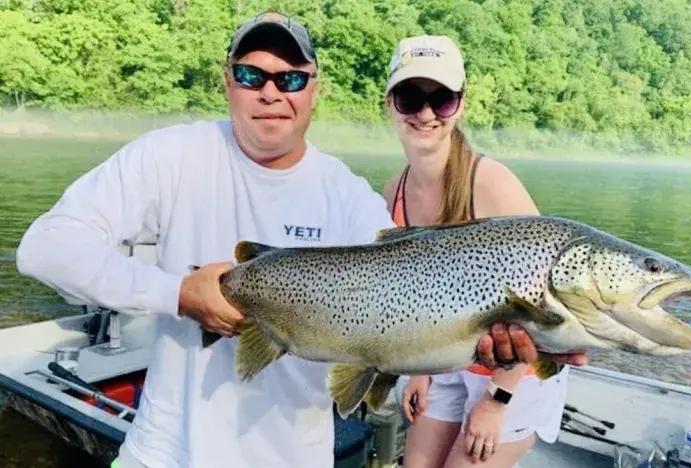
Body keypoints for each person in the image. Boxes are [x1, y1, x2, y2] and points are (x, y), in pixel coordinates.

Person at [15, 13, 568, 468]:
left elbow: (409, 318)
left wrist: (493, 349)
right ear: (228, 81)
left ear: (314, 91)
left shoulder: (348, 199)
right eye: (253, 76)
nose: (272, 92)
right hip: (162, 452)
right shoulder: (168, 157)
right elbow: (45, 247)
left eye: (292, 78)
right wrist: (178, 294)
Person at [382, 35, 570, 468]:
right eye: (411, 98)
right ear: (390, 103)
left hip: (516, 375)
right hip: (449, 357)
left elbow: (539, 311)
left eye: (442, 100)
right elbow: (419, 299)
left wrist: (497, 400)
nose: (426, 114)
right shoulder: (393, 191)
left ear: (461, 104)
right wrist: (419, 370)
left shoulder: (490, 183)